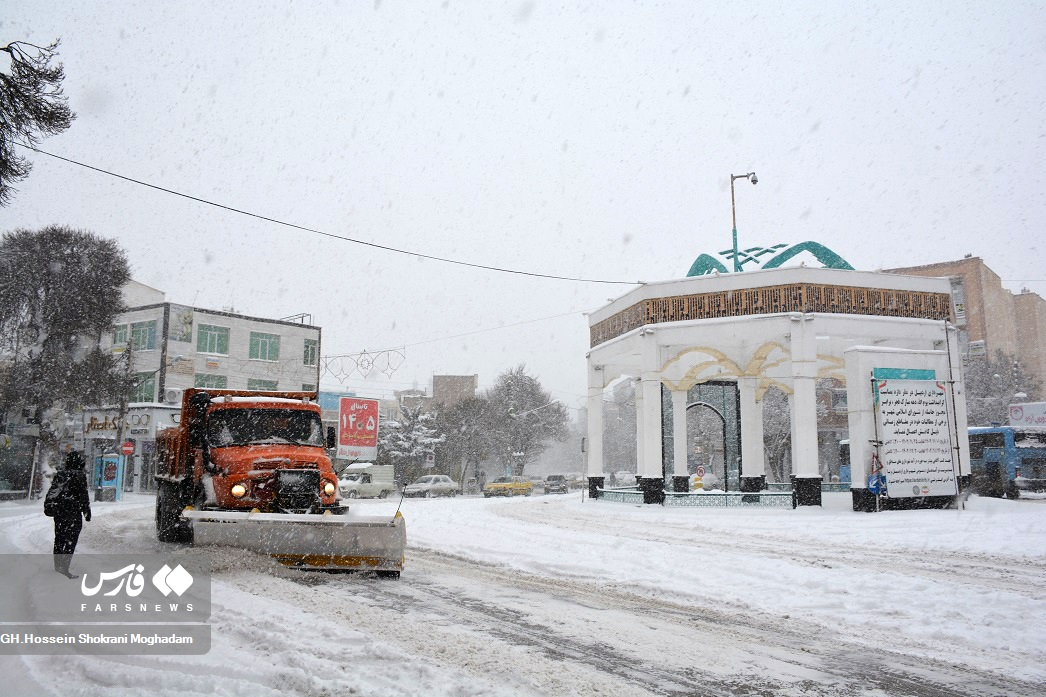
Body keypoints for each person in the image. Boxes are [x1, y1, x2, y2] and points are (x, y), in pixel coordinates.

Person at [48, 451, 92, 579]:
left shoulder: (61, 474)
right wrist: (86, 512)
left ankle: (58, 565)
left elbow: (54, 491)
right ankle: (65, 567)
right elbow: (84, 496)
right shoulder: (80, 476)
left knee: (59, 538)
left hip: (60, 513)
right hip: (73, 513)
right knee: (70, 541)